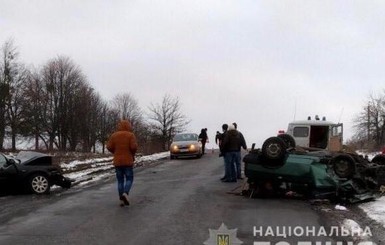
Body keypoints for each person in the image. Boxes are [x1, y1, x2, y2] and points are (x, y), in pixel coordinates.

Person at [107, 119, 138, 207]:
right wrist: (132, 153)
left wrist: (115, 152)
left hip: (117, 161)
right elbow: (134, 147)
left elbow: (108, 146)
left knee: (120, 180)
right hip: (128, 161)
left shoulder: (114, 135)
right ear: (128, 126)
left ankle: (121, 200)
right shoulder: (130, 135)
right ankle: (125, 193)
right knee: (129, 179)